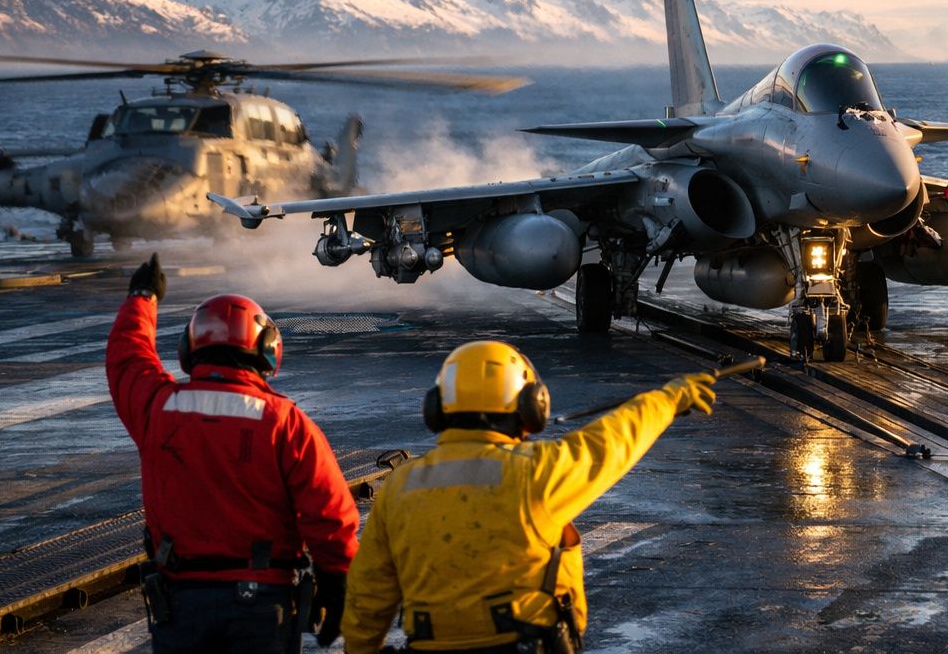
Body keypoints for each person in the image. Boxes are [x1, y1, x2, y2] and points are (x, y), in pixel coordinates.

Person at [342, 341, 719, 653]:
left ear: (438, 408)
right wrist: (668, 399)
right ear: (530, 408)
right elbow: (612, 440)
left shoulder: (401, 486)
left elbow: (367, 594)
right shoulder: (535, 472)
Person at [106, 254, 358, 653]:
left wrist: (142, 297)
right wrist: (336, 580)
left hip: (181, 604)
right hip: (261, 607)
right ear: (267, 349)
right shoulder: (285, 422)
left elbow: (127, 357)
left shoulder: (158, 407)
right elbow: (329, 512)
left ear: (190, 347)